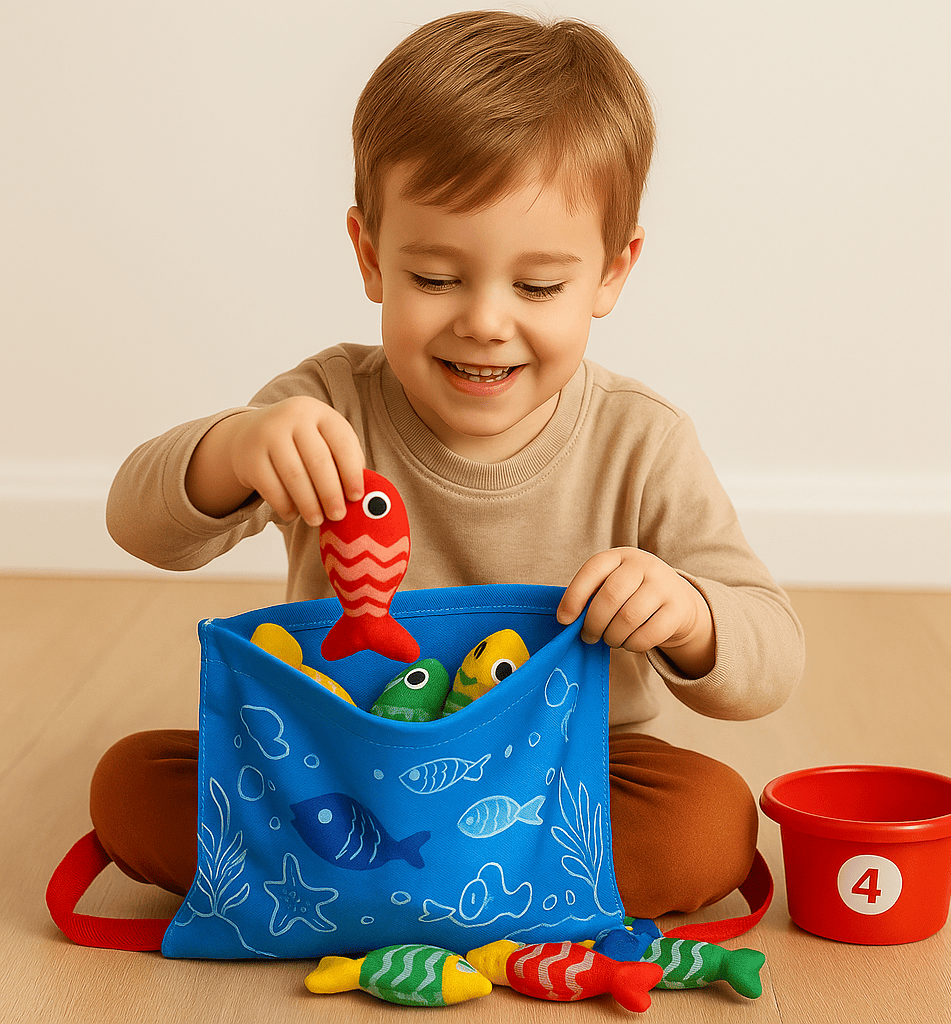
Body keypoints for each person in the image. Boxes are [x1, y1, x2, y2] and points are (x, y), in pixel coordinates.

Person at [93, 10, 804, 921]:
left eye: (538, 286)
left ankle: (357, 893)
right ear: (370, 256)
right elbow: (137, 525)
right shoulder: (325, 405)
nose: (485, 322)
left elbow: (772, 656)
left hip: (558, 774)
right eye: (435, 278)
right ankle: (472, 894)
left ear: (612, 273)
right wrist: (233, 449)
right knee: (129, 783)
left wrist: (689, 615)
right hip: (338, 762)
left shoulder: (642, 439)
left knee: (706, 822)